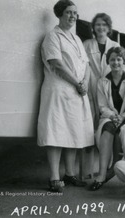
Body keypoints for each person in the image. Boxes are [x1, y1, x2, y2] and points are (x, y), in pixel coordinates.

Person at [37, 0, 94, 192]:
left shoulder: (76, 39)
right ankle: (54, 178)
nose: (73, 16)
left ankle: (70, 174)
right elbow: (57, 64)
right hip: (59, 91)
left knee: (73, 131)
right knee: (56, 133)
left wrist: (85, 81)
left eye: (75, 13)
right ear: (60, 14)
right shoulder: (53, 37)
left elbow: (86, 64)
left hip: (76, 92)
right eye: (69, 12)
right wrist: (77, 83)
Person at [89, 47, 125, 191]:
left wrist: (123, 116)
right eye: (112, 60)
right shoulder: (102, 82)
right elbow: (102, 106)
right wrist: (113, 116)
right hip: (111, 117)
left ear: (124, 61)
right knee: (108, 128)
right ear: (108, 62)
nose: (116, 62)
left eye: (119, 59)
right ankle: (102, 173)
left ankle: (123, 171)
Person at [83, 13, 120, 129]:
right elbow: (83, 65)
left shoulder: (115, 45)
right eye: (97, 24)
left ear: (109, 27)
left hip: (108, 85)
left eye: (104, 24)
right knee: (90, 114)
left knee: (108, 114)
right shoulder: (87, 44)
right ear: (93, 27)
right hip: (91, 83)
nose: (101, 27)